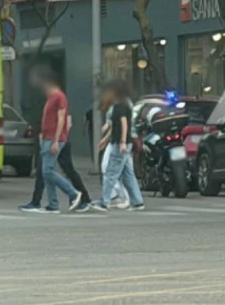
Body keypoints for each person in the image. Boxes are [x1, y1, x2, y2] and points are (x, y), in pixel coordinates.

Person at [27, 67, 84, 213]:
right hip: (48, 138)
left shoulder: (59, 97)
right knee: (48, 171)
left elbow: (61, 119)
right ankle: (53, 205)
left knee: (48, 171)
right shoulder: (51, 98)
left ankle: (73, 193)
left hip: (53, 139)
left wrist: (56, 140)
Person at [89, 80, 145, 211]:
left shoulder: (120, 106)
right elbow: (117, 125)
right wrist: (107, 139)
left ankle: (105, 201)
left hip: (119, 144)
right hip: (123, 143)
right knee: (128, 175)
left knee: (110, 174)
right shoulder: (124, 104)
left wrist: (122, 142)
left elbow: (124, 124)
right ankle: (137, 202)